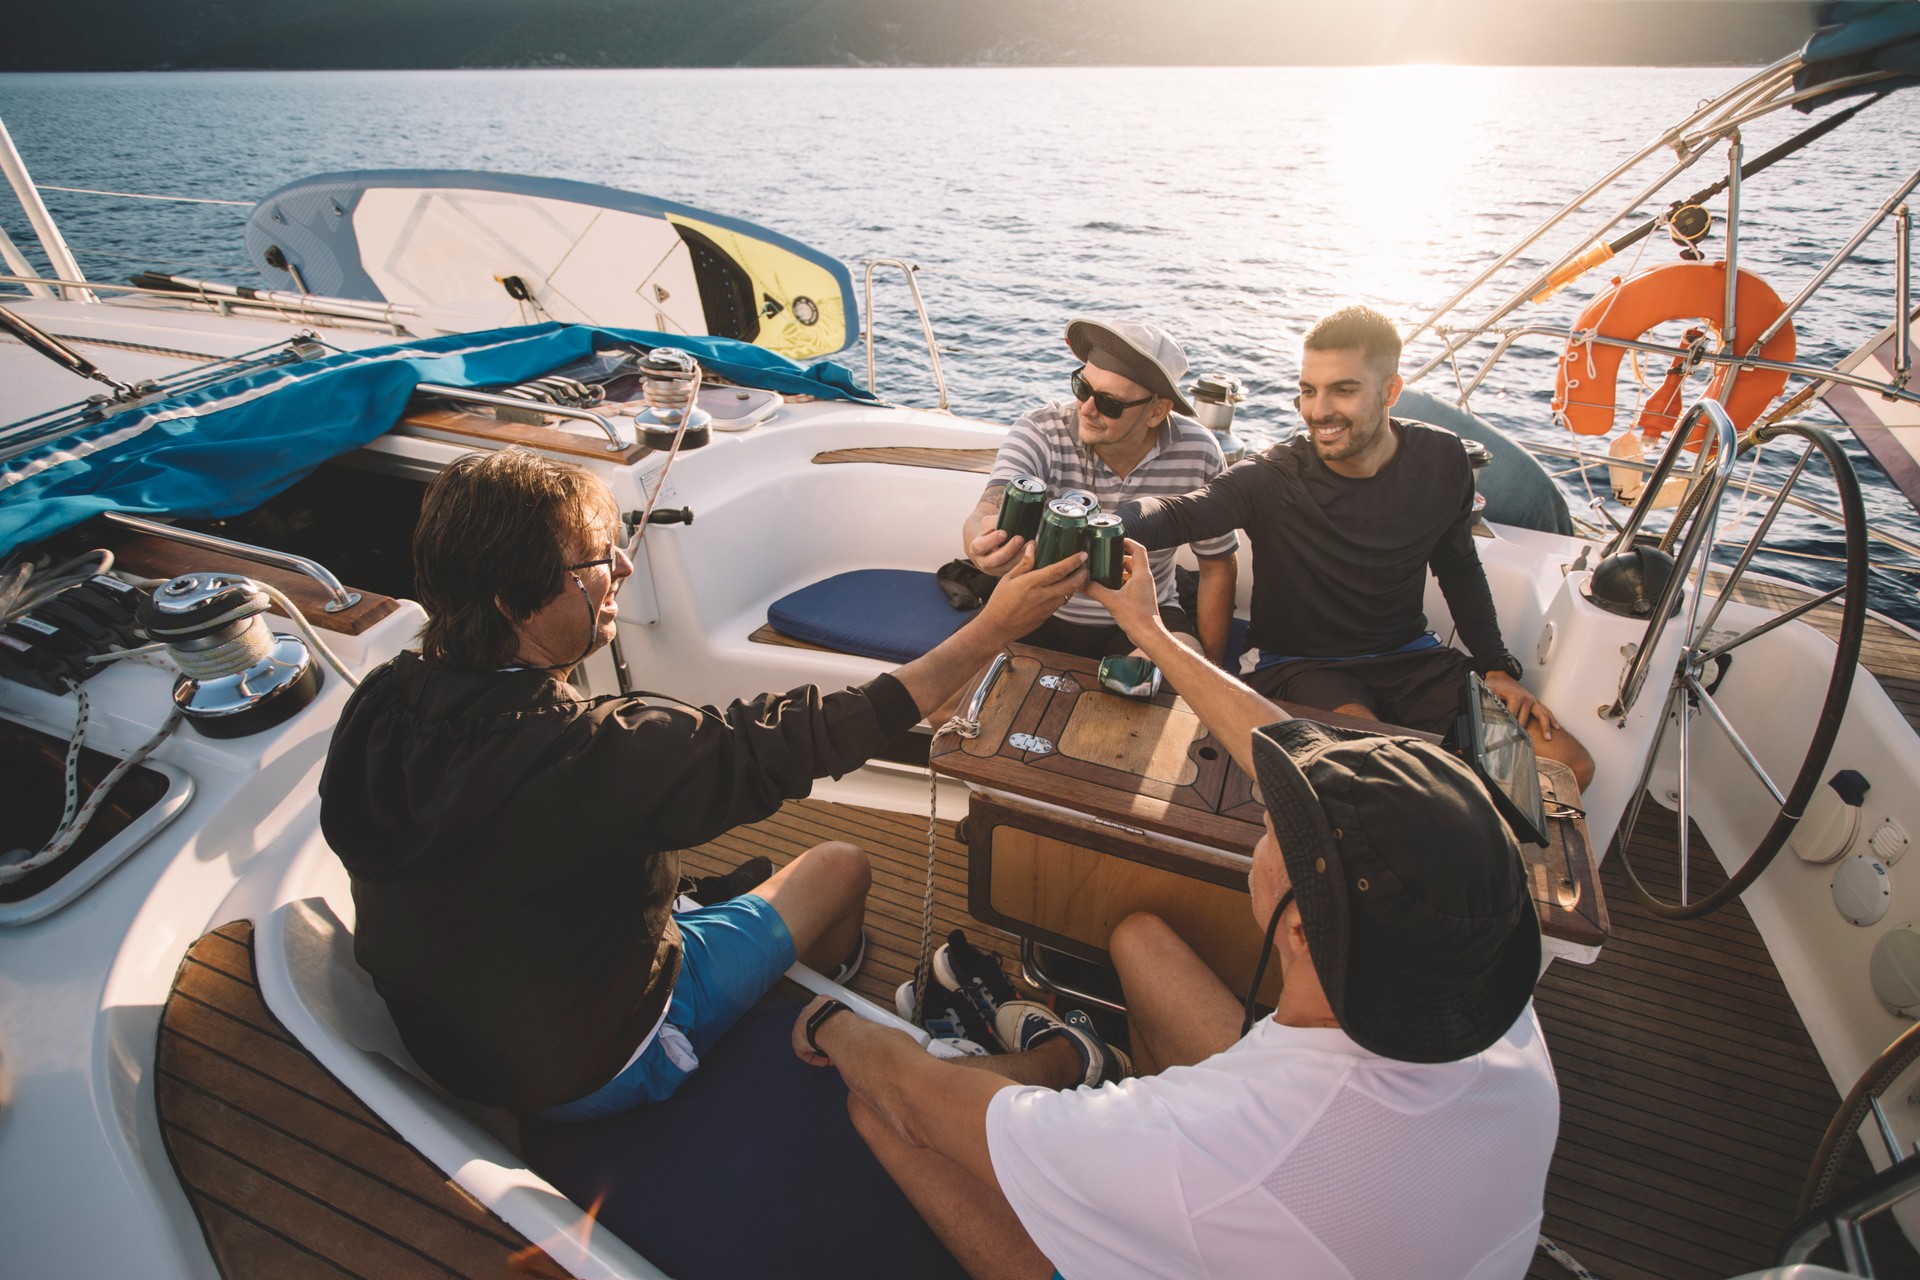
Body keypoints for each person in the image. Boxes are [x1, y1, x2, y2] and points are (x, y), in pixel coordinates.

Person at [792, 539, 1560, 1280]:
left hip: (1217, 1177)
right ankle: (1080, 1058)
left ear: (1298, 926)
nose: (1265, 815)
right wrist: (1148, 629)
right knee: (1141, 942)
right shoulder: (1484, 997)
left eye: (1273, 823)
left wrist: (841, 1026)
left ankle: (1060, 1063)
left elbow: (924, 1106)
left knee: (883, 1107)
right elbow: (1282, 746)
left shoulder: (1210, 1147)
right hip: (1293, 1194)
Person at [319, 446, 1087, 1117]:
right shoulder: (590, 757)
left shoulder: (378, 699)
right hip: (594, 1066)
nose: (621, 567)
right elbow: (797, 741)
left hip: (449, 1048)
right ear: (510, 599)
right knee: (840, 868)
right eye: (594, 561)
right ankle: (809, 993)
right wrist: (993, 627)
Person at [1122, 305, 1594, 787]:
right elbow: (1182, 512)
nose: (1318, 410)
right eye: (1308, 391)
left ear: (1391, 391)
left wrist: (1496, 666)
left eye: (1343, 390)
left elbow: (1459, 567)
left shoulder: (1442, 459)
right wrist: (1103, 523)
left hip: (1411, 657)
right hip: (1298, 666)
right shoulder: (1275, 476)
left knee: (1567, 770)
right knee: (1372, 771)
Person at [960, 317, 1238, 663]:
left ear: (1156, 411)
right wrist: (979, 546)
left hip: (1146, 614)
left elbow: (1217, 565)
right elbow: (987, 509)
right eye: (1082, 387)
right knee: (948, 699)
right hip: (1037, 603)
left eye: (1109, 403)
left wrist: (1212, 668)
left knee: (1184, 687)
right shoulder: (1041, 430)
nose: (1087, 409)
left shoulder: (1200, 452)